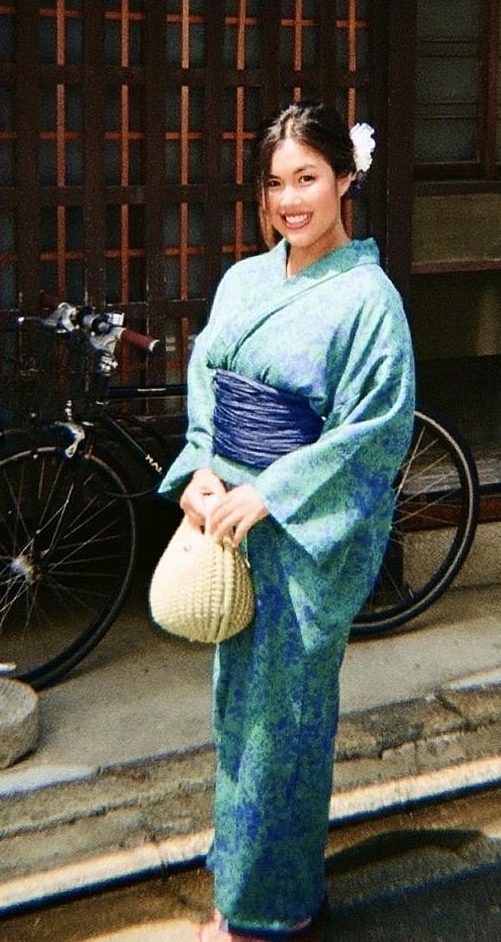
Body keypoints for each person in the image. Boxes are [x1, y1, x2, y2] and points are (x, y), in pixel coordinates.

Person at [157, 101, 416, 941]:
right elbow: (207, 379)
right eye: (275, 183)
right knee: (240, 714)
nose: (290, 200)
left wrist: (273, 491)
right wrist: (201, 467)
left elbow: (375, 430)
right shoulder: (244, 281)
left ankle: (271, 915)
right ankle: (247, 887)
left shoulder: (369, 300)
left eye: (308, 178)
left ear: (345, 180)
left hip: (303, 538)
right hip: (232, 526)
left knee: (286, 724)